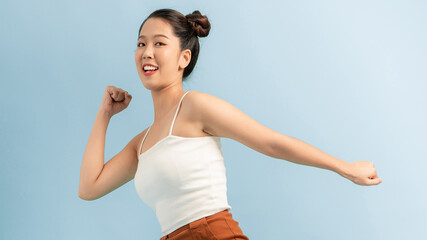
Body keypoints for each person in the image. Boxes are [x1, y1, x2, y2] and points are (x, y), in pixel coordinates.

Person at [78, 8, 382, 240]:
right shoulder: (140, 144)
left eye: (159, 43)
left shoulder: (195, 106)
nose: (147, 52)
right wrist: (104, 114)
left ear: (184, 57)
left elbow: (269, 141)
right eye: (141, 43)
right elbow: (89, 188)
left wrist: (345, 167)